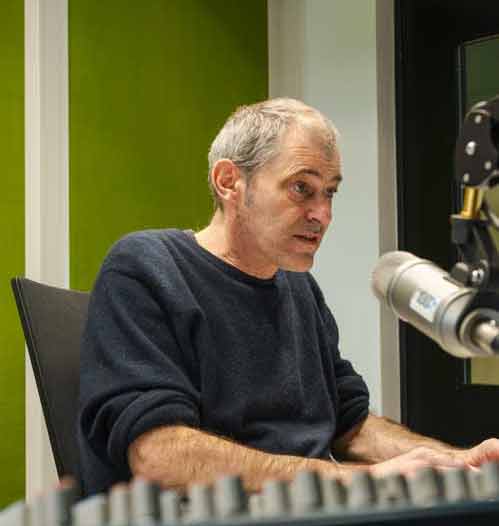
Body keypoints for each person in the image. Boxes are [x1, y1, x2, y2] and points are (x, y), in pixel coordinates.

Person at [78, 98, 499, 497]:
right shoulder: (145, 267)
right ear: (229, 182)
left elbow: (351, 424)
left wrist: (455, 463)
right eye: (302, 188)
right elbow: (160, 456)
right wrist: (361, 480)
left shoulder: (298, 288)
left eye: (329, 192)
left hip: (309, 514)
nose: (322, 215)